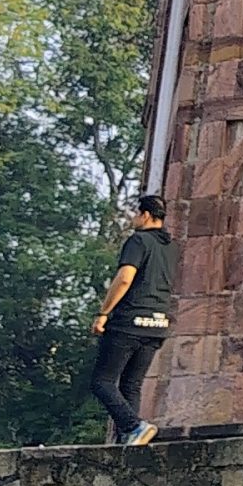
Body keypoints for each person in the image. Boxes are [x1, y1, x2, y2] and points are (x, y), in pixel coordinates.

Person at [90, 190, 174, 444]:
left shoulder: (139, 241)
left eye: (136, 214)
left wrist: (103, 313)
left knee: (102, 382)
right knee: (131, 384)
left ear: (145, 215)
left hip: (130, 320)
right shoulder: (171, 247)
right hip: (157, 323)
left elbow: (125, 278)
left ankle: (133, 426)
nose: (133, 219)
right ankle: (129, 439)